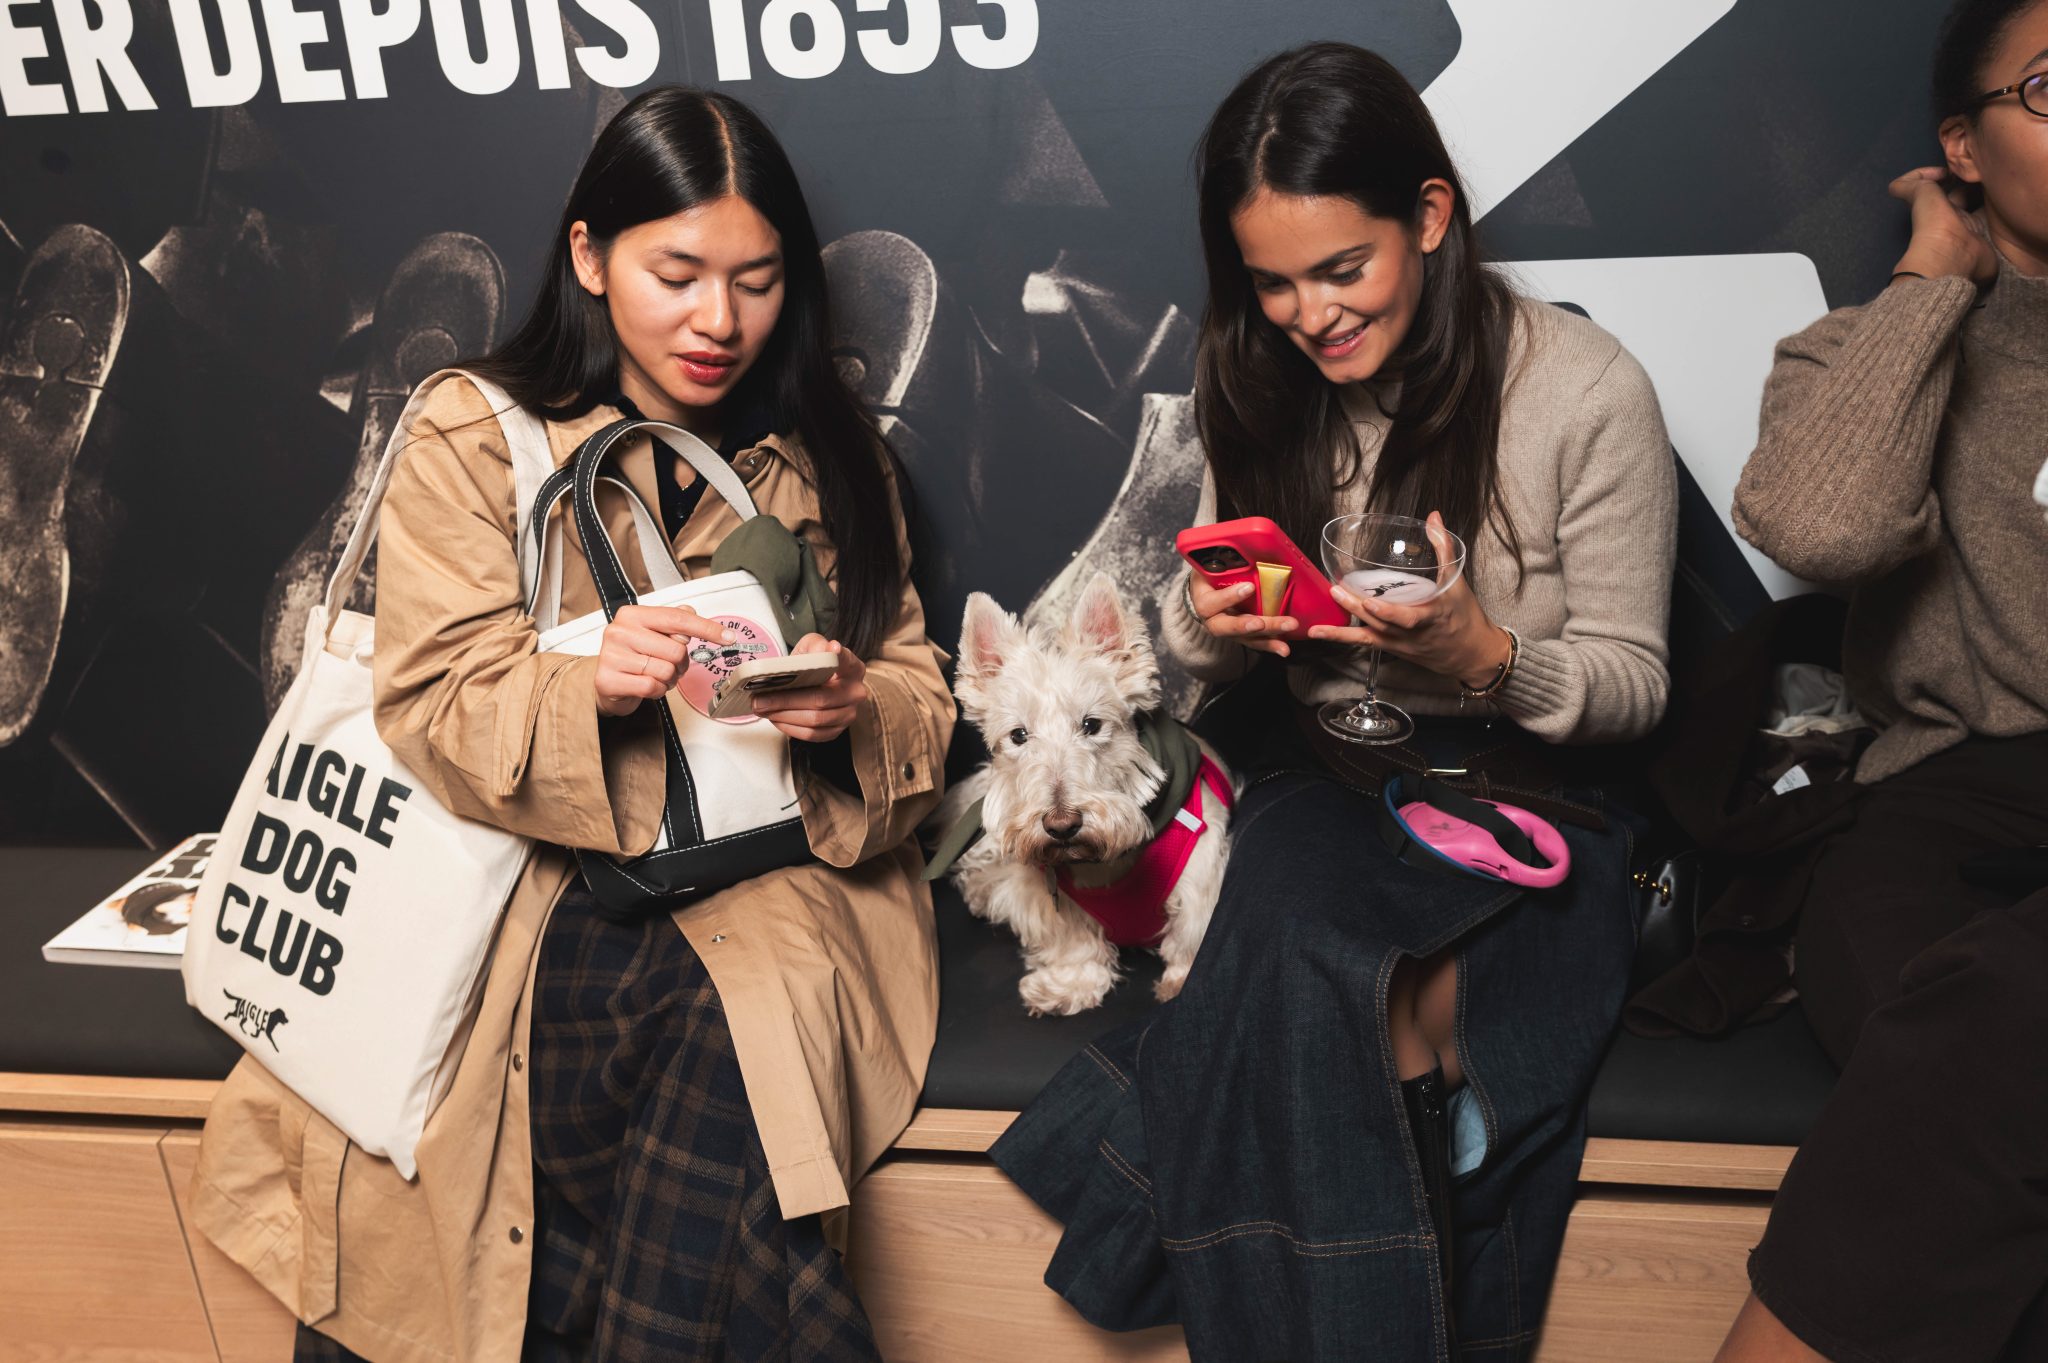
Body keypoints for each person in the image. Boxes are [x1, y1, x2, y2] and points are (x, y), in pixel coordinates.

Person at [184, 87, 953, 1363]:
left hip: (769, 876)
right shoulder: (472, 429)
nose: (719, 320)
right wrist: (586, 679)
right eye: (677, 273)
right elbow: (429, 696)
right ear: (590, 258)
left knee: (727, 1022)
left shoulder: (831, 453)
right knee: (534, 1094)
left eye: (757, 280)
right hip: (523, 883)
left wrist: (849, 706)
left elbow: (921, 693)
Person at [989, 41, 1678, 1361]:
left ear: (1429, 218)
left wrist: (1486, 655)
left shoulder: (1586, 391)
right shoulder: (1254, 379)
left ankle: (1273, 1243)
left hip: (1530, 800)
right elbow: (1199, 645)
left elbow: (1636, 686)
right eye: (1272, 283)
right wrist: (1214, 622)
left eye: (1340, 270)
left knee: (1309, 997)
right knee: (1307, 943)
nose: (1308, 314)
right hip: (1339, 784)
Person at [1714, 1, 2048, 1358]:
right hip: (1947, 791)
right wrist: (1932, 286)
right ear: (1961, 147)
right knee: (1950, 1022)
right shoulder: (1862, 350)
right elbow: (1819, 524)